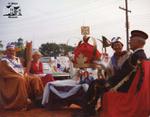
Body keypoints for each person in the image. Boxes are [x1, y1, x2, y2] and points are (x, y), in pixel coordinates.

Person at [83, 30, 148, 116]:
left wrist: (109, 83)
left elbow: (123, 74)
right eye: (115, 45)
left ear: (138, 42)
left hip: (126, 87)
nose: (129, 42)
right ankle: (96, 110)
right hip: (129, 85)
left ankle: (88, 112)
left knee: (95, 84)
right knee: (99, 83)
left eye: (131, 40)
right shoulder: (141, 55)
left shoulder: (134, 56)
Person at [0, 44, 43, 110]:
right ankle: (23, 102)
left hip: (21, 75)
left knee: (35, 78)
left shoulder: (17, 59)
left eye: (13, 51)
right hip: (11, 78)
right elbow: (4, 73)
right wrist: (18, 75)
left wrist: (25, 73)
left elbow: (21, 69)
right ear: (6, 52)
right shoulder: (3, 61)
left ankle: (38, 99)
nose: (12, 52)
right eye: (10, 51)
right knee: (21, 79)